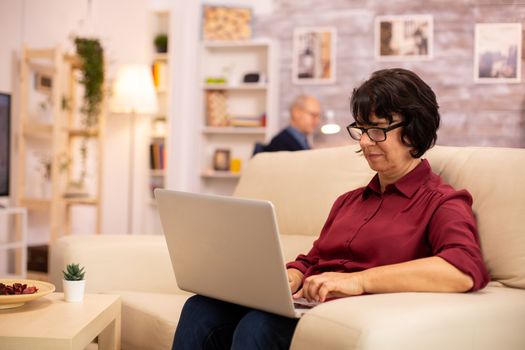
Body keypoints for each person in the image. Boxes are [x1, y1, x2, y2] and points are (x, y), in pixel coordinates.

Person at [172, 68, 490, 350]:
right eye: (361, 130)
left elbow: (462, 270)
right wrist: (293, 275)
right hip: (312, 303)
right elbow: (313, 259)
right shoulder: (349, 201)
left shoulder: (441, 200)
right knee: (201, 308)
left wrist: (359, 281)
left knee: (259, 325)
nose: (365, 142)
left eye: (377, 130)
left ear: (414, 130)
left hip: (356, 311)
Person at [254, 95, 321, 154]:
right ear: (296, 112)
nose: (318, 121)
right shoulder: (280, 143)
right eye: (314, 115)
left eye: (319, 116)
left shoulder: (302, 141)